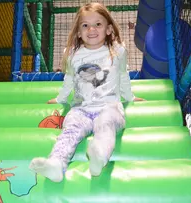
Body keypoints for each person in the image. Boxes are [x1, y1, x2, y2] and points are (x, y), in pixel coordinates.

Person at [29, 2, 145, 182]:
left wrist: (130, 98)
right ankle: (56, 164)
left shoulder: (117, 51)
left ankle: (99, 156)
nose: (91, 29)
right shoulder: (73, 54)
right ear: (78, 32)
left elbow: (123, 77)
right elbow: (69, 79)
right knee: (70, 129)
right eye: (85, 25)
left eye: (98, 24)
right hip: (80, 109)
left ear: (108, 29)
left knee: (106, 124)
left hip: (109, 107)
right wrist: (60, 99)